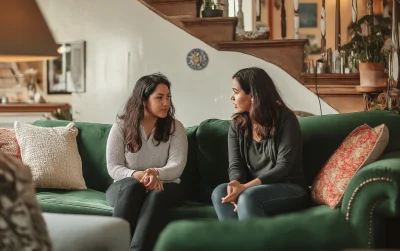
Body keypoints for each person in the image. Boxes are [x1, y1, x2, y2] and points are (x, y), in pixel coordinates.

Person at [211, 67, 310, 221]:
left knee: (249, 197)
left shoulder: (286, 119)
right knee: (220, 192)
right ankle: (235, 242)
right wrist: (236, 184)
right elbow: (235, 165)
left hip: (290, 187)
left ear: (252, 95)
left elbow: (284, 167)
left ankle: (251, 242)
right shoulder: (237, 125)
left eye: (236, 92)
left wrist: (245, 188)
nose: (231, 97)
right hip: (253, 189)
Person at [105, 73, 188, 251]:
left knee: (156, 195)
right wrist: (137, 175)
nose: (166, 103)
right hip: (126, 188)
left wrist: (155, 174)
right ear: (143, 100)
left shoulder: (175, 128)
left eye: (168, 97)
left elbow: (177, 166)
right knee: (134, 187)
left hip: (165, 186)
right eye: (159, 97)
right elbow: (113, 167)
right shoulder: (121, 127)